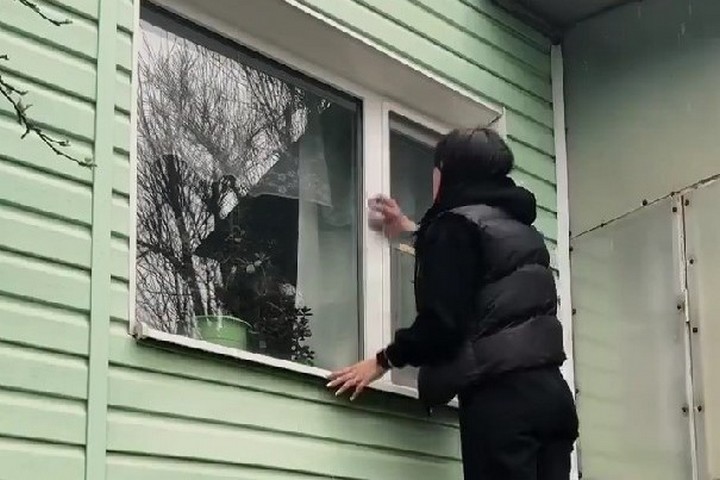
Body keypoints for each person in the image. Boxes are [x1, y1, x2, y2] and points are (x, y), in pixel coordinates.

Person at [327, 127, 578, 480]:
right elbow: (483, 266)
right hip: (553, 400)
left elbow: (442, 325)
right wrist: (415, 230)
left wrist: (384, 360)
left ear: (445, 172)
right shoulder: (523, 231)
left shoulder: (454, 228)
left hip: (503, 403)